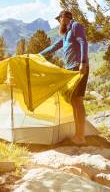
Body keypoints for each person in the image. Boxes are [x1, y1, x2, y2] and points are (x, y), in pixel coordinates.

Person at [40, 10, 89, 145]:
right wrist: (39, 55)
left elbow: (83, 42)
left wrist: (83, 62)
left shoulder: (76, 26)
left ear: (63, 18)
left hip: (78, 67)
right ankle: (78, 135)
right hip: (70, 70)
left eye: (59, 20)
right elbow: (54, 47)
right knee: (73, 100)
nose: (58, 23)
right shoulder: (67, 33)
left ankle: (81, 136)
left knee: (77, 100)